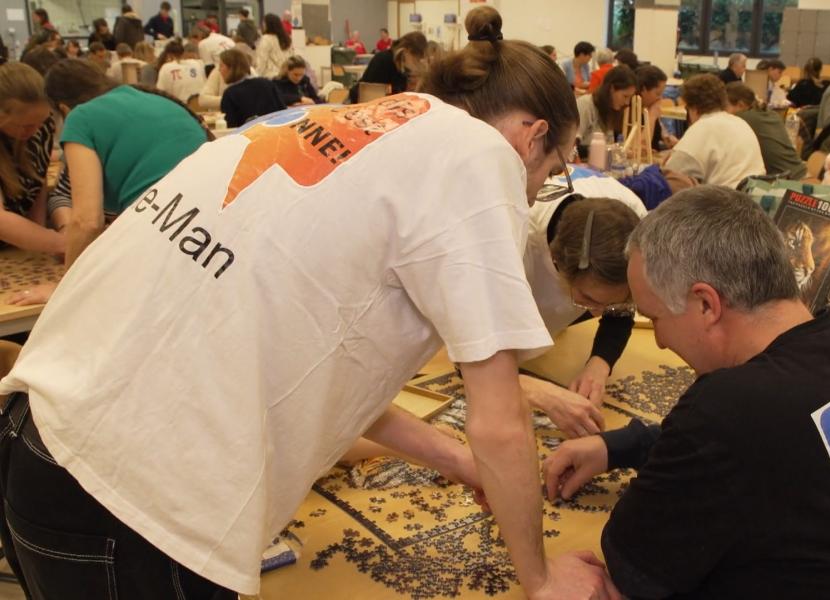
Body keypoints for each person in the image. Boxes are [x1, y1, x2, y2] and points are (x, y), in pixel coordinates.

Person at [0, 6, 617, 599]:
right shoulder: (482, 155)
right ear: (532, 138)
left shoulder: (349, 119)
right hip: (133, 497)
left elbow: (329, 378)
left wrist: (463, 464)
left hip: (39, 440)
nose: (538, 188)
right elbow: (500, 418)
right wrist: (539, 580)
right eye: (553, 170)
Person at [543, 185, 830, 598]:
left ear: (705, 304)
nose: (660, 341)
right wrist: (618, 448)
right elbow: (766, 449)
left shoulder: (728, 407)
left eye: (655, 317)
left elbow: (633, 568)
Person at [42, 58, 208, 270]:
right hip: (208, 234)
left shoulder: (80, 117)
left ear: (63, 109)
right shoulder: (153, 99)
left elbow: (87, 222)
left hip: (171, 238)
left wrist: (65, 288)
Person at [521, 192, 645, 437]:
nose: (597, 313)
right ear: (557, 263)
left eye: (611, 303)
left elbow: (619, 312)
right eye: (588, 299)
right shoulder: (519, 244)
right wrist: (547, 395)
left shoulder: (636, 233)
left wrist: (599, 363)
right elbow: (471, 361)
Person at [0, 63, 69, 255]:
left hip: (18, 244)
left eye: (40, 122)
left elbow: (37, 185)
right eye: (25, 125)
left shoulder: (41, 126)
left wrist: (37, 232)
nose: (35, 130)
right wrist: (61, 243)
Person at [664, 74, 764, 188]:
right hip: (754, 198)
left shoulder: (701, 129)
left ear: (694, 108)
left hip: (723, 201)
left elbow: (670, 175)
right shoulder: (741, 123)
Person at [725, 82, 805, 178]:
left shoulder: (743, 118)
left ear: (740, 105)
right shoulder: (771, 113)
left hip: (784, 181)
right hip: (800, 172)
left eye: (725, 106)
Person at [576, 65, 636, 160]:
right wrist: (605, 150)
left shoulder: (612, 109)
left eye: (629, 98)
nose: (627, 103)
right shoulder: (586, 105)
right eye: (625, 96)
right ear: (611, 89)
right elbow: (571, 149)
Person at [350, 31, 427, 103]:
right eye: (417, 59)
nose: (417, 64)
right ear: (407, 51)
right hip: (364, 101)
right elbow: (369, 95)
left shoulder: (403, 66)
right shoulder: (383, 60)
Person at [219, 49, 285, 126]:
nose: (219, 69)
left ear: (231, 67)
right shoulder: (267, 83)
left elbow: (230, 127)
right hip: (275, 132)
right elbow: (283, 112)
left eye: (221, 65)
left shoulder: (230, 93)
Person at [636, 65, 677, 150]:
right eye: (658, 94)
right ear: (643, 89)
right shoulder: (631, 111)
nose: (660, 98)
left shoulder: (649, 107)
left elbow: (659, 128)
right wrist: (652, 116)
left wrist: (666, 137)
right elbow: (641, 147)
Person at [254, 13, 294, 78]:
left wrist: (256, 77)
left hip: (270, 76)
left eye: (263, 23)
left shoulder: (266, 39)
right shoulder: (287, 39)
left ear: (267, 25)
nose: (262, 26)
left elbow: (261, 60)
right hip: (286, 75)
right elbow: (292, 57)